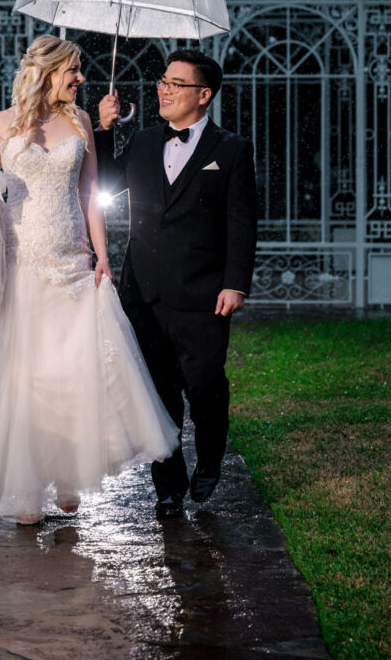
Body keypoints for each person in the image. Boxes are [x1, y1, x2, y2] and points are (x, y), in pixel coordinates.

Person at [0, 34, 179, 525]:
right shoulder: (3, 125)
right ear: (48, 70)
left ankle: (68, 476)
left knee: (72, 370)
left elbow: (92, 193)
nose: (82, 78)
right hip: (19, 261)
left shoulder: (81, 121)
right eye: (74, 70)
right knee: (25, 374)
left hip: (72, 260)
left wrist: (102, 256)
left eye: (82, 69)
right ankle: (24, 486)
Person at [95, 48, 258, 519]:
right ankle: (167, 485)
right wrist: (104, 130)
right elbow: (104, 178)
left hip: (204, 294)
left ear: (203, 95)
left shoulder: (230, 150)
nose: (164, 89)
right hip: (143, 291)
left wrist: (236, 284)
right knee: (157, 394)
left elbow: (241, 222)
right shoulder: (145, 141)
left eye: (176, 83)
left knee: (205, 387)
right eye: (163, 81)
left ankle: (209, 461)